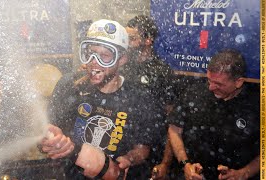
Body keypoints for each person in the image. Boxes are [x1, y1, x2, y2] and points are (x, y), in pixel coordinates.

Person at [40, 19, 164, 179]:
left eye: (104, 56)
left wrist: (129, 159)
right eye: (90, 53)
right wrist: (49, 140)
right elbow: (47, 130)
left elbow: (143, 148)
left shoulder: (139, 97)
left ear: (122, 59)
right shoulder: (69, 86)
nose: (94, 62)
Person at [167, 49, 260, 180]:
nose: (211, 87)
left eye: (218, 84)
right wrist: (185, 164)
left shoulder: (257, 106)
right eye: (209, 80)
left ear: (238, 82)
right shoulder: (194, 93)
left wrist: (243, 173)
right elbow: (174, 129)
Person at [122, 15, 178, 179]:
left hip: (151, 151)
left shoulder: (162, 72)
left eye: (132, 38)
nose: (127, 43)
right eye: (126, 38)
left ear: (148, 40)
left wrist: (165, 162)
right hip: (122, 147)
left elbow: (171, 119)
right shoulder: (121, 65)